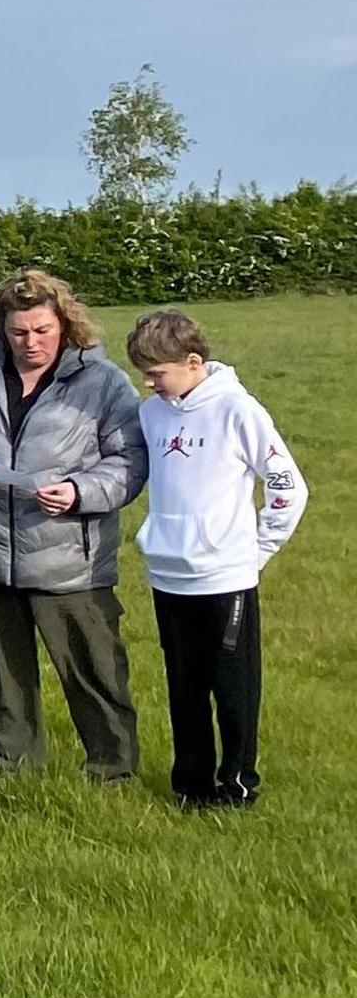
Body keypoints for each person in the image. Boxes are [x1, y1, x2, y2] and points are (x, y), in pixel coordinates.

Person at [0, 269, 148, 780]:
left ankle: (112, 772)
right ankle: (11, 771)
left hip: (71, 562)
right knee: (4, 676)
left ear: (64, 324)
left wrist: (80, 492)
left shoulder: (103, 383)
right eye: (19, 332)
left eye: (42, 330)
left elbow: (130, 461)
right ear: (1, 327)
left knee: (94, 675)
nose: (31, 342)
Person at [128, 310, 308, 809]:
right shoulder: (153, 412)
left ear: (192, 361)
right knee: (184, 688)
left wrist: (259, 549)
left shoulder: (238, 410)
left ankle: (238, 785)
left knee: (232, 690)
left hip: (226, 576)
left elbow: (288, 487)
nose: (149, 384)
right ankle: (191, 786)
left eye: (157, 373)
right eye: (143, 373)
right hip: (167, 573)